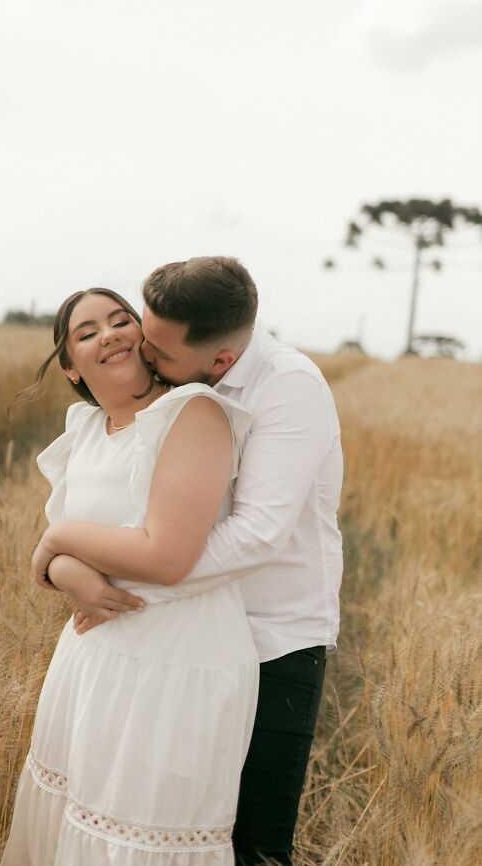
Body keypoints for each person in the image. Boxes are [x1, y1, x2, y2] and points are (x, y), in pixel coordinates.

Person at [41, 257, 344, 866]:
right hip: (159, 644)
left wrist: (111, 573)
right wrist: (67, 565)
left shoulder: (287, 388)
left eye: (156, 349)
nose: (141, 354)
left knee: (254, 840)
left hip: (275, 638)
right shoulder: (169, 389)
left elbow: (256, 535)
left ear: (220, 362)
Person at [0, 286, 260, 866]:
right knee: (73, 828)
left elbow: (167, 557)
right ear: (70, 364)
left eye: (121, 321)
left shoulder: (192, 414)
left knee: (140, 836)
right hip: (91, 661)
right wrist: (71, 570)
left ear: (144, 337)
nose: (110, 334)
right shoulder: (87, 431)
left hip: (178, 664)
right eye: (87, 332)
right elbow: (60, 553)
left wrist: (58, 543)